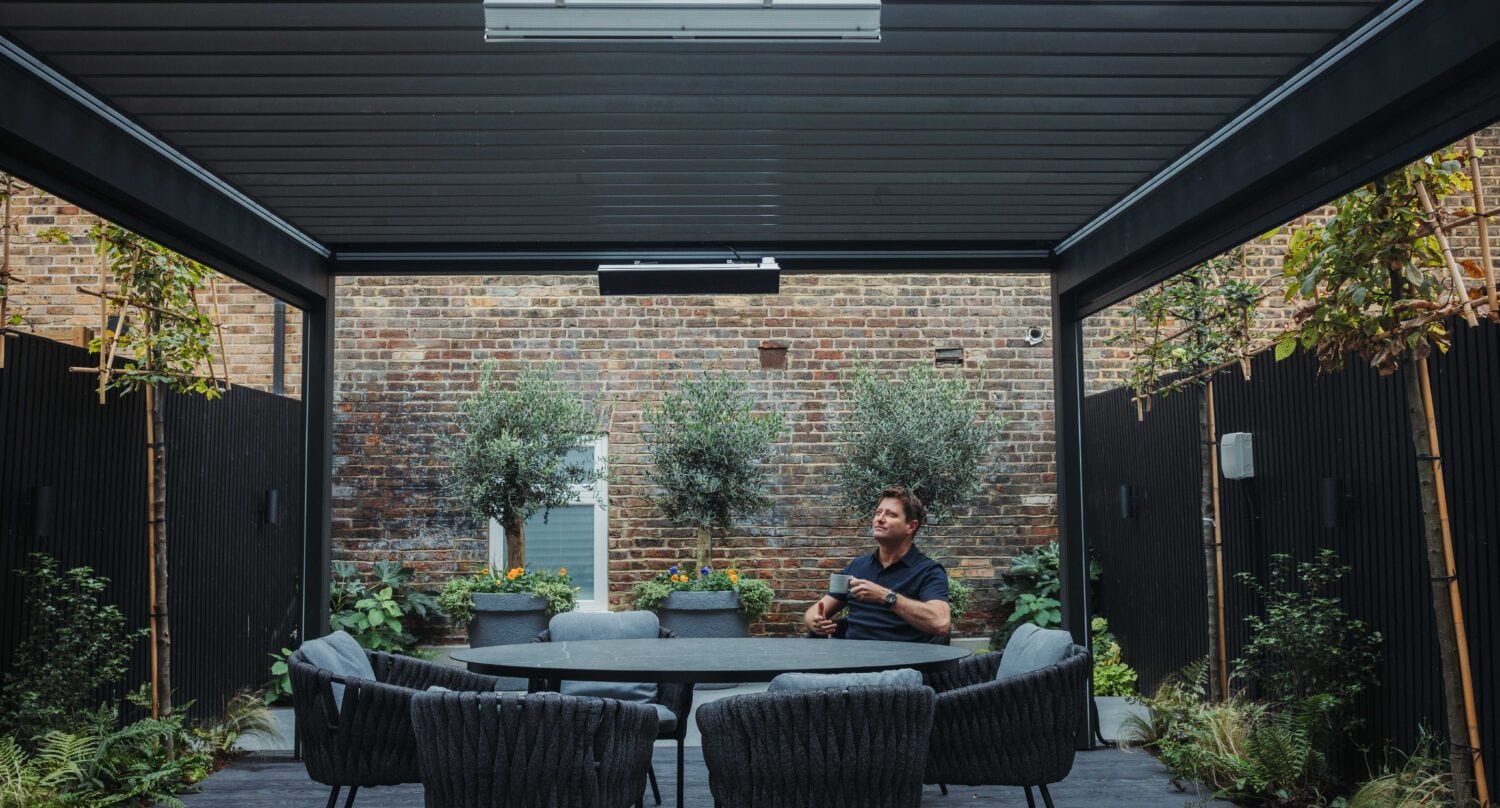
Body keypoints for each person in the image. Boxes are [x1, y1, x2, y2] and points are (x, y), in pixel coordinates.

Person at [803, 485, 951, 642]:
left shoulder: (929, 571)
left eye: (891, 514)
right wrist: (815, 621)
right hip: (850, 658)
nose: (879, 519)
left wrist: (885, 597)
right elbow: (815, 610)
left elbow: (940, 623)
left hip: (900, 663)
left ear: (911, 526)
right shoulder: (857, 566)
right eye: (878, 513)